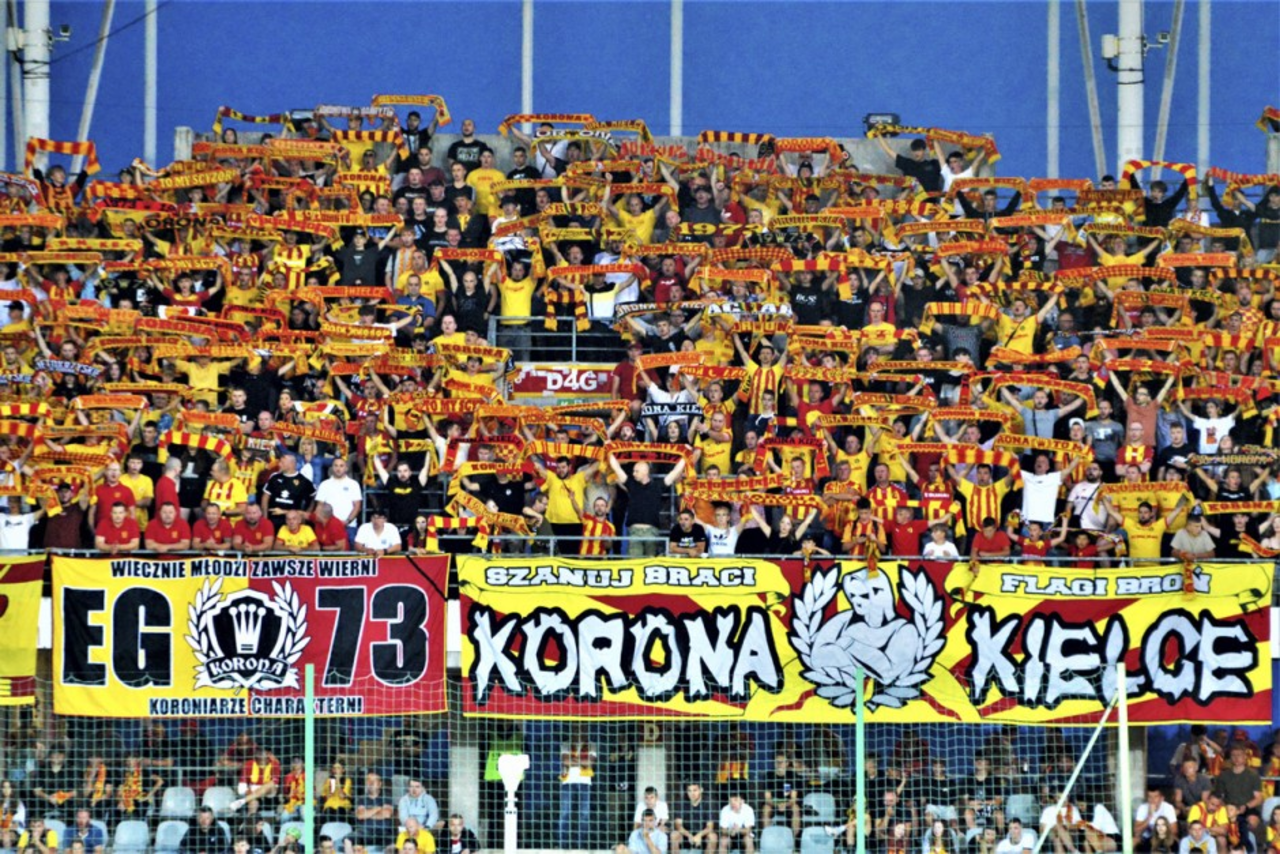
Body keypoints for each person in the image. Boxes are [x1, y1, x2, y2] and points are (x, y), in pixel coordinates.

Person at [672, 783, 719, 854]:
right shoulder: (681, 802)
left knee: (713, 836)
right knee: (674, 834)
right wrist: (689, 835)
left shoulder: (709, 802)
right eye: (689, 791)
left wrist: (698, 836)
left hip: (703, 834)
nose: (692, 793)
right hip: (686, 834)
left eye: (695, 790)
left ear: (701, 790)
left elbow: (710, 827)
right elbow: (678, 825)